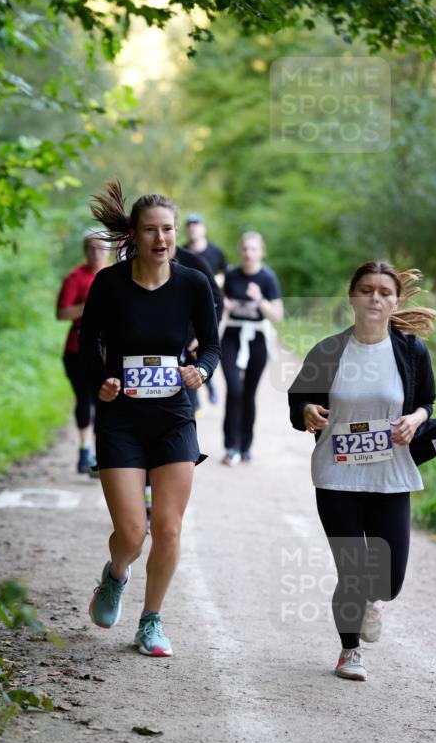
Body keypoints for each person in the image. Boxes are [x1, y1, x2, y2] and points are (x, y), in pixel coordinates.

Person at [288, 261, 436, 682]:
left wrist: (417, 419)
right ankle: (350, 651)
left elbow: (427, 400)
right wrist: (308, 411)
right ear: (352, 296)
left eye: (384, 291)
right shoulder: (329, 351)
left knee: (388, 580)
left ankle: (372, 598)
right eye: (366, 290)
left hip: (389, 475)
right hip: (337, 476)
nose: (375, 298)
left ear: (395, 300)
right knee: (352, 570)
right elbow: (299, 405)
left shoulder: (410, 351)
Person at [78, 181, 221, 657]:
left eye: (168, 230)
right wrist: (102, 380)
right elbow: (87, 345)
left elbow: (213, 346)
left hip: (174, 417)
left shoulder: (193, 284)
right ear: (134, 237)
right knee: (132, 533)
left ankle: (151, 621)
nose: (161, 239)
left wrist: (200, 370)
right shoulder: (109, 284)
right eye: (151, 231)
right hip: (121, 419)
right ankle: (115, 574)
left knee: (169, 527)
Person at [221, 230, 283, 465]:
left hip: (257, 338)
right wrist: (224, 306)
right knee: (234, 390)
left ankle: (245, 447)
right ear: (240, 251)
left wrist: (260, 300)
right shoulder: (232, 276)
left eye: (253, 249)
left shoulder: (268, 278)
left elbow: (277, 315)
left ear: (261, 252)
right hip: (232, 337)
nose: (249, 253)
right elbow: (222, 307)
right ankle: (230, 446)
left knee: (248, 394)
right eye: (245, 249)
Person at [56, 229, 109, 473]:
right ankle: (84, 449)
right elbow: (61, 313)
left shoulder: (115, 275)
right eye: (92, 247)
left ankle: (100, 455)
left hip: (108, 350)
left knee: (104, 402)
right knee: (84, 399)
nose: (96, 252)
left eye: (101, 247)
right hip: (77, 348)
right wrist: (90, 306)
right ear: (84, 250)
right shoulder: (75, 278)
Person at [183, 213, 227, 404]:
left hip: (212, 308)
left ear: (203, 228)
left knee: (207, 348)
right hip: (188, 312)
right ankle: (195, 401)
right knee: (190, 354)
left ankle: (209, 385)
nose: (193, 228)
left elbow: (227, 273)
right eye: (190, 225)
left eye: (196, 224)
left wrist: (217, 282)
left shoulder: (215, 252)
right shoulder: (180, 252)